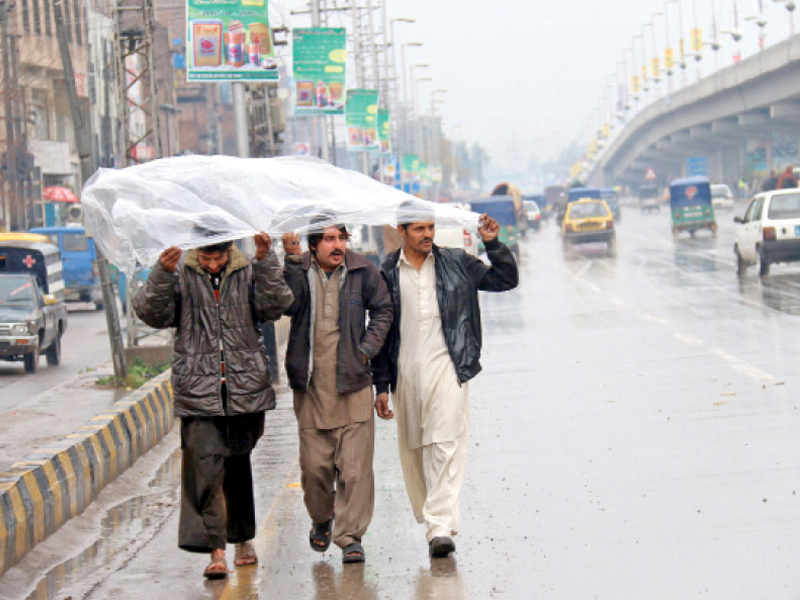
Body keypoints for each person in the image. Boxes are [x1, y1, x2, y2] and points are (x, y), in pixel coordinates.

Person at [133, 232, 293, 579]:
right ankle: (216, 550)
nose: (212, 264)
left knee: (236, 467)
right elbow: (151, 313)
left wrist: (266, 261)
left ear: (229, 248)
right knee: (206, 468)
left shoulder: (249, 270)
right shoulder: (180, 274)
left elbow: (276, 306)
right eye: (205, 258)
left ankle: (242, 540)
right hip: (198, 388)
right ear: (196, 252)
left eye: (218, 257)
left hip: (243, 389)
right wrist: (161, 273)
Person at [373, 201, 519, 558]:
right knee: (416, 448)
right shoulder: (387, 272)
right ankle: (432, 517)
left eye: (431, 228)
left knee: (445, 444)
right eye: (419, 229)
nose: (427, 235)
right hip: (405, 371)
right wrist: (380, 385)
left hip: (449, 366)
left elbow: (505, 280)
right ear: (402, 231)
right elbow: (379, 330)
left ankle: (440, 527)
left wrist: (494, 245)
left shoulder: (456, 262)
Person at [282, 221, 393, 564]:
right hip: (312, 389)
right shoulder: (299, 270)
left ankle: (350, 536)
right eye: (329, 239)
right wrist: (289, 261)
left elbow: (384, 309)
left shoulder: (363, 270)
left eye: (341, 238)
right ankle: (321, 518)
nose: (337, 245)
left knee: (356, 471)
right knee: (315, 470)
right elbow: (283, 305)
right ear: (313, 245)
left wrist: (367, 348)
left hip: (354, 383)